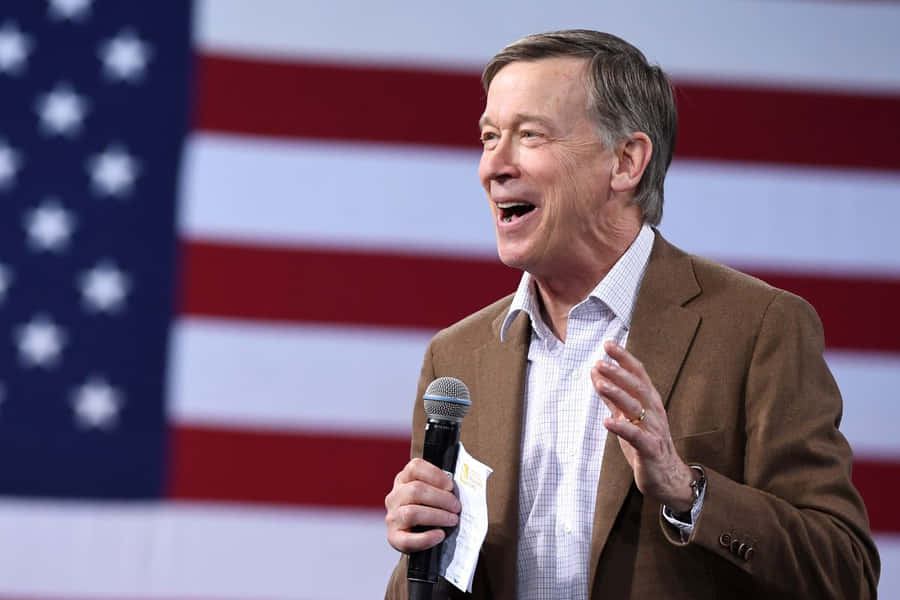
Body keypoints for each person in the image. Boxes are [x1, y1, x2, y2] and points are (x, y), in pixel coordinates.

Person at [383, 30, 879, 599]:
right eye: (489, 136)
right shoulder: (459, 357)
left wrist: (686, 490)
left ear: (625, 161)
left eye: (529, 135)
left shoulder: (758, 328)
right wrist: (421, 547)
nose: (492, 165)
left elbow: (846, 574)